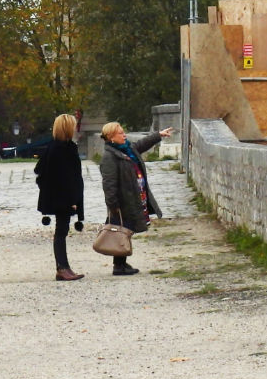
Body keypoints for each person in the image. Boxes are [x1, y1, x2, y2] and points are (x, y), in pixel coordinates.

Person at [99, 121, 174, 276]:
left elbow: (141, 144)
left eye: (123, 131)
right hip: (122, 200)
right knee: (122, 230)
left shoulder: (127, 149)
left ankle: (121, 263)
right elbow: (109, 182)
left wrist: (158, 135)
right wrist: (113, 204)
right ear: (111, 137)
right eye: (120, 133)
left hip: (134, 197)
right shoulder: (110, 156)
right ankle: (119, 266)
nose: (124, 135)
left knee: (127, 230)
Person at [34, 113, 85, 281]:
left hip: (65, 196)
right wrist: (70, 200)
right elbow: (61, 177)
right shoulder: (59, 149)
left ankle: (64, 267)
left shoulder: (64, 147)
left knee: (62, 230)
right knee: (61, 231)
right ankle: (62, 267)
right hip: (62, 198)